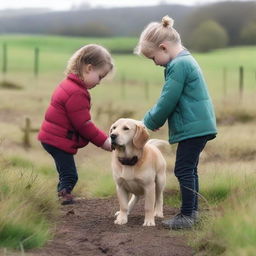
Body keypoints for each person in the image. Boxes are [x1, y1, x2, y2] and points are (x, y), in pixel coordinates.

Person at [134, 16, 217, 229]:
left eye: (153, 58)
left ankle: (187, 215)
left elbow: (168, 99)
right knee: (189, 168)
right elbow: (176, 100)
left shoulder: (178, 65)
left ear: (163, 47)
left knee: (183, 169)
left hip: (194, 127)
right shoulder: (185, 60)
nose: (155, 63)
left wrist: (149, 122)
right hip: (199, 124)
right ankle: (193, 212)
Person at [38, 44, 113, 205]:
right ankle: (64, 198)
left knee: (65, 172)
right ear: (89, 68)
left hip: (51, 137)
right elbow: (84, 125)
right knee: (70, 175)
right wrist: (104, 142)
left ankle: (62, 195)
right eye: (100, 76)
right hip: (57, 140)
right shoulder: (77, 92)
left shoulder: (68, 84)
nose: (99, 82)